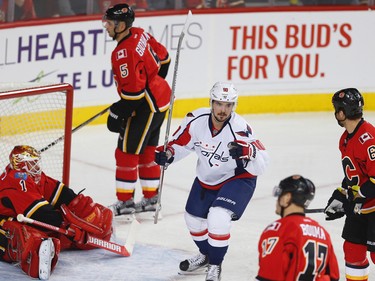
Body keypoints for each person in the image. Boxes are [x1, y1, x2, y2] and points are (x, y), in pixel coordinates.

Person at [154, 82, 269, 281]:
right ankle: (207, 256)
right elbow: (179, 144)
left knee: (218, 217)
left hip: (238, 178)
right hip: (207, 178)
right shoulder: (196, 120)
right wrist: (168, 153)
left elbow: (262, 162)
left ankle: (215, 265)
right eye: (219, 104)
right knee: (193, 220)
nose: (223, 110)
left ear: (233, 106)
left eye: (228, 105)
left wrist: (249, 152)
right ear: (211, 102)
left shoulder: (240, 128)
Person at [0, 145, 113, 279]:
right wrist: (68, 227)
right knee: (20, 233)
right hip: (4, 223)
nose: (36, 167)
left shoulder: (32, 176)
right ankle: (36, 253)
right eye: (32, 164)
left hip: (23, 216)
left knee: (53, 227)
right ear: (21, 165)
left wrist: (82, 208)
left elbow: (60, 193)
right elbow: (41, 214)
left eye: (36, 163)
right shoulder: (16, 181)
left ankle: (45, 245)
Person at [102, 3, 171, 216]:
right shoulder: (140, 34)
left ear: (121, 25)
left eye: (110, 23)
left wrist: (116, 112)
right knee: (148, 151)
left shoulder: (124, 53)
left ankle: (125, 203)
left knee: (126, 152)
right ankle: (151, 198)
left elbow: (133, 95)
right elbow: (165, 59)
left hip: (145, 107)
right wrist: (154, 82)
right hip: (160, 101)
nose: (106, 26)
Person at [324, 88, 375, 281]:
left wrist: (358, 194)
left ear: (341, 112)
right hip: (361, 207)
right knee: (353, 251)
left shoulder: (369, 138)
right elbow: (353, 176)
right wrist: (340, 195)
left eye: (336, 109)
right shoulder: (345, 139)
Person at [256, 175, 340, 281]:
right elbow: (333, 276)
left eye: (279, 195)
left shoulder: (279, 229)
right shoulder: (322, 233)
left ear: (286, 198)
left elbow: (269, 277)